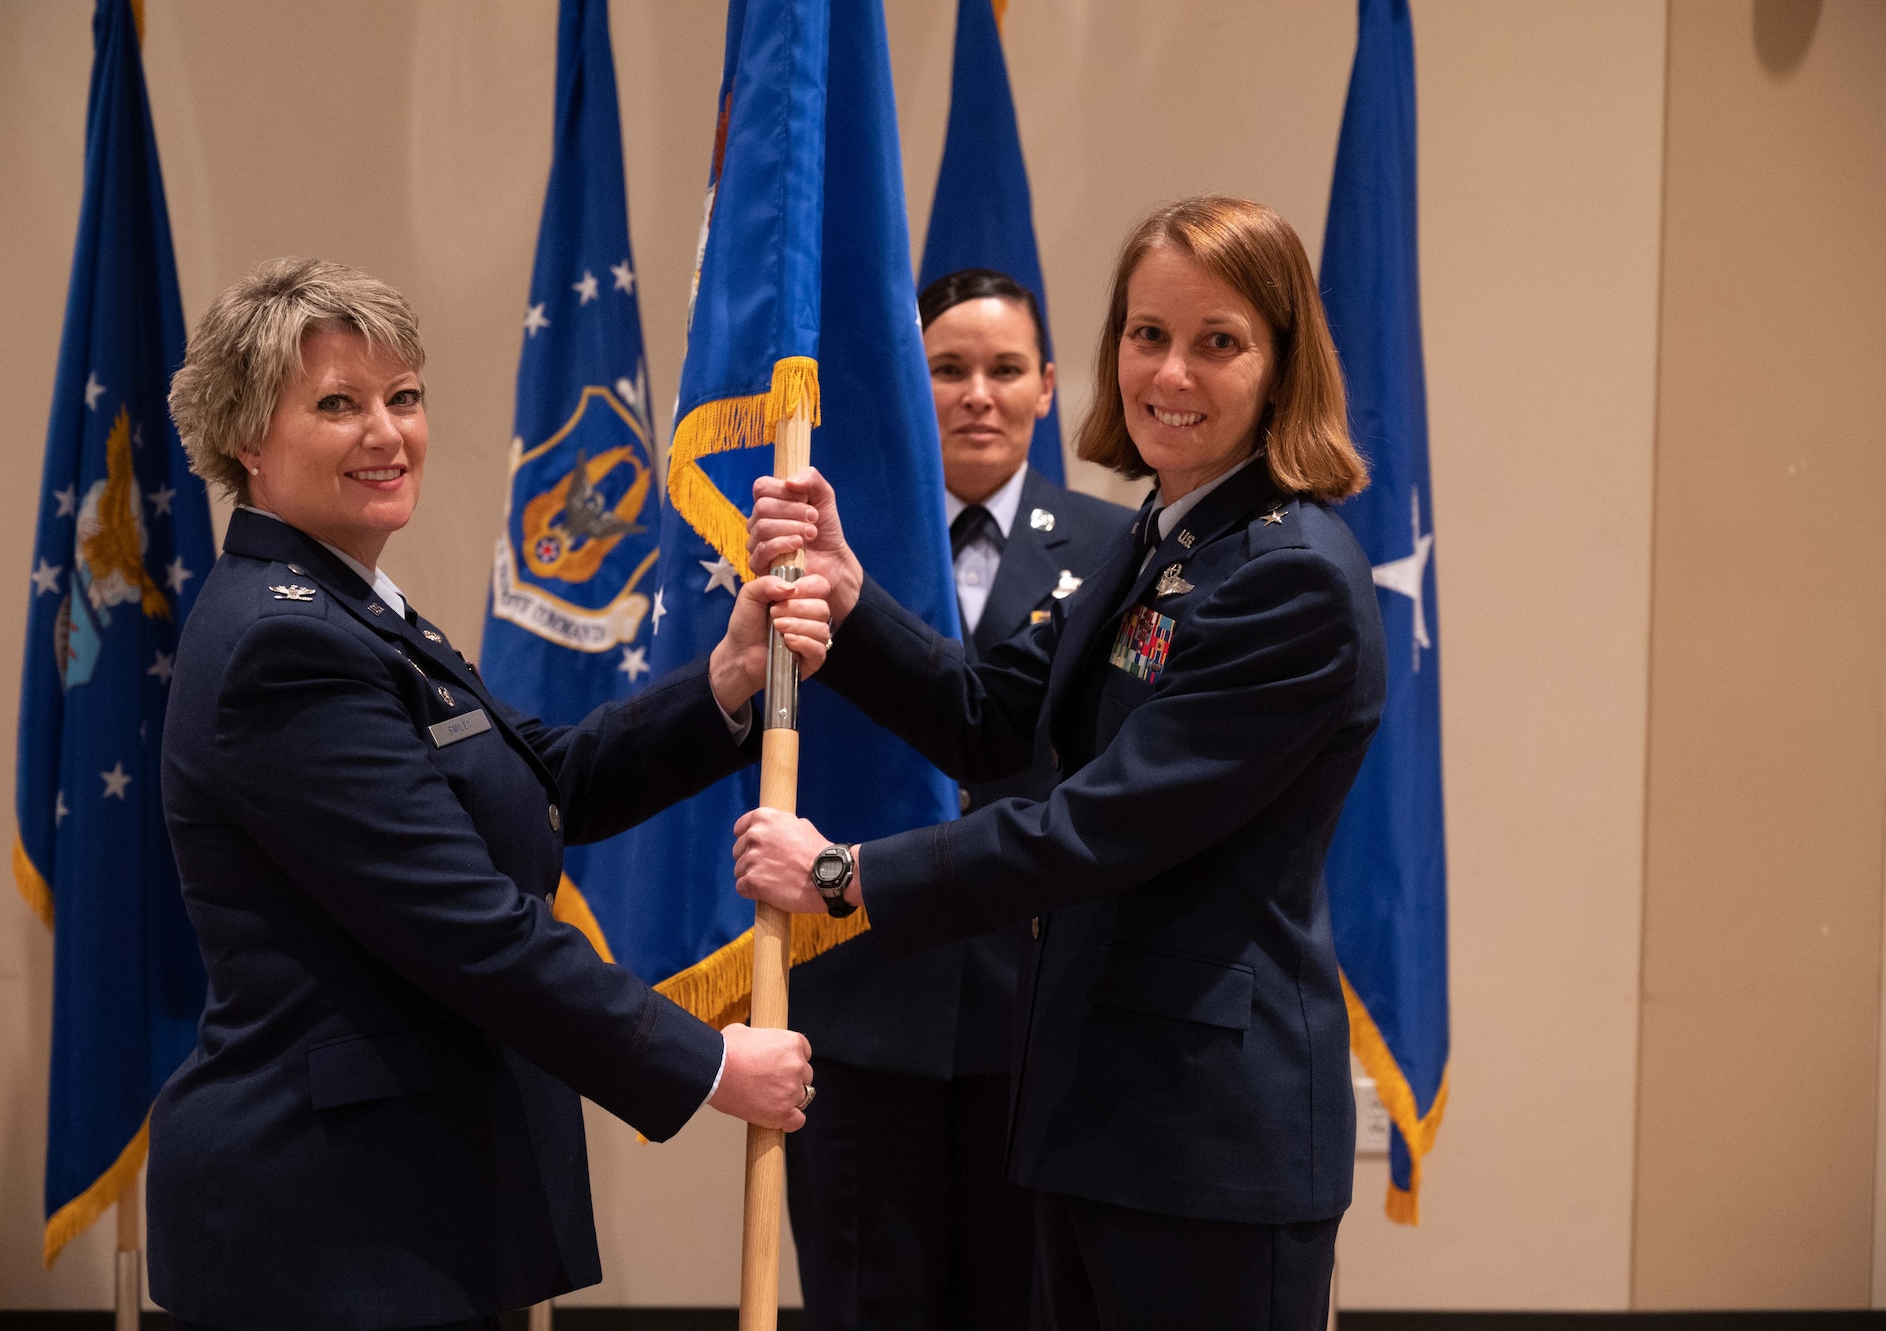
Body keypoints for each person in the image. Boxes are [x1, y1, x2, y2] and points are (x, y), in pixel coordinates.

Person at [736, 197, 1384, 1331]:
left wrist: (844, 876)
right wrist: (848, 595)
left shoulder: (1289, 576)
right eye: (1145, 334)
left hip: (1205, 1138)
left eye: (1216, 340)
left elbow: (1098, 825)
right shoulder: (1163, 536)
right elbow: (993, 720)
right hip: (1097, 1112)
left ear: (1283, 364)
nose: (1168, 371)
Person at [149, 258, 828, 1331]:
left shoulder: (350, 603)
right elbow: (468, 924)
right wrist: (703, 1061)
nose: (386, 432)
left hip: (399, 1210)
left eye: (401, 396)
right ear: (246, 438)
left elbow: (533, 780)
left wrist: (726, 680)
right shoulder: (285, 641)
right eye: (337, 404)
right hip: (333, 1228)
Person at [785, 268, 1128, 1331]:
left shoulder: (1117, 550)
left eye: (1003, 369)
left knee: (1022, 1302)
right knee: (862, 1301)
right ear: (908, 381)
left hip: (1032, 1002)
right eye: (946, 368)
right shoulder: (832, 548)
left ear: (1046, 389)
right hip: (857, 985)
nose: (976, 393)